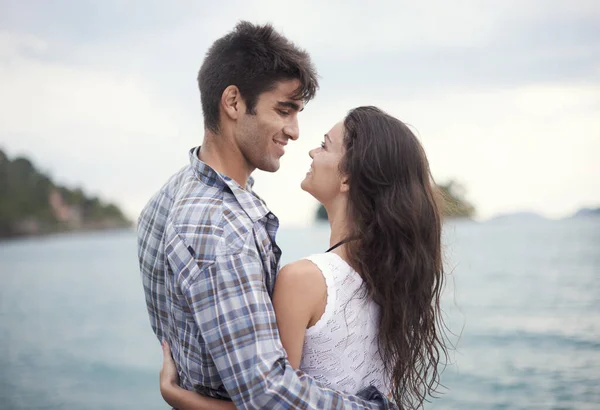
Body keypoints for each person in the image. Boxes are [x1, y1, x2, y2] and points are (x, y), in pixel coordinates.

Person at [137, 21, 396, 409]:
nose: (294, 132)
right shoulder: (220, 227)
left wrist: (180, 396)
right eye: (284, 110)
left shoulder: (170, 196)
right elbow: (267, 393)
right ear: (234, 102)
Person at [158, 106, 449, 410]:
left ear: (348, 177)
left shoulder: (304, 280)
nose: (311, 152)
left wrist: (178, 396)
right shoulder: (393, 279)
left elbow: (267, 403)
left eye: (324, 145)